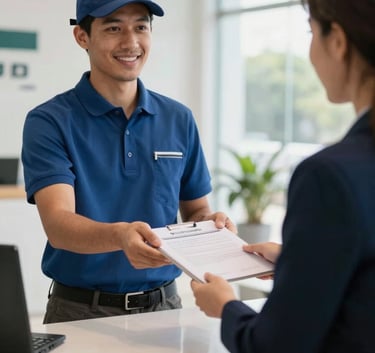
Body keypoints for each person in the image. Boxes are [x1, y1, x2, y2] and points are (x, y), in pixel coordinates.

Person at [21, 0, 235, 324]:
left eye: (141, 27)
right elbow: (59, 225)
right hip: (80, 312)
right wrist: (121, 236)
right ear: (82, 37)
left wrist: (212, 226)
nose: (131, 42)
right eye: (114, 28)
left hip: (166, 306)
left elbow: (196, 210)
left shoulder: (179, 119)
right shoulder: (49, 121)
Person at [191, 0, 375, 352]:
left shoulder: (328, 176)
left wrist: (227, 307)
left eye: (310, 32)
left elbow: (274, 345)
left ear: (337, 40)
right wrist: (302, 260)